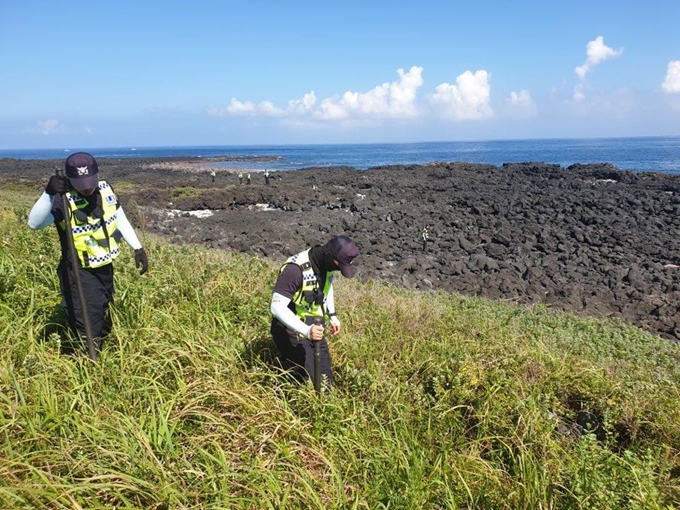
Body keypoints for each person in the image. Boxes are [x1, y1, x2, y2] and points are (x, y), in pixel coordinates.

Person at [27, 152, 149, 355]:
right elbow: (34, 224)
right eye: (81, 184)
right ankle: (86, 364)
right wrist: (49, 193)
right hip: (78, 272)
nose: (87, 188)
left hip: (104, 267)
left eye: (90, 182)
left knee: (104, 315)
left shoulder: (104, 188)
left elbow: (118, 216)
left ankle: (101, 356)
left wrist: (138, 248)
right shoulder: (62, 199)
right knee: (87, 323)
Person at [270, 235, 359, 389]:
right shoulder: (295, 269)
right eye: (339, 266)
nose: (338, 270)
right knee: (309, 377)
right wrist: (306, 330)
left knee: (325, 378)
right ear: (331, 257)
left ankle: (324, 406)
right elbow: (276, 307)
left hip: (314, 325)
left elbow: (327, 287)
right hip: (291, 328)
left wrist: (332, 316)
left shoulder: (326, 265)